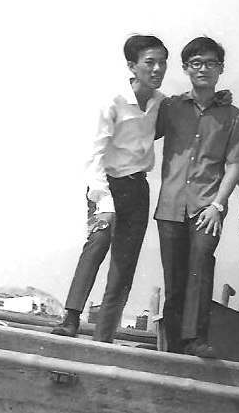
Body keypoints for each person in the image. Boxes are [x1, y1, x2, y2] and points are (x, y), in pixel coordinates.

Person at [52, 35, 168, 341]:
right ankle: (70, 318)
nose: (157, 69)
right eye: (150, 62)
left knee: (124, 265)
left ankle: (103, 336)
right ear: (132, 65)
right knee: (98, 242)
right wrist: (104, 203)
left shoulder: (161, 103)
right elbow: (95, 155)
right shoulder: (113, 100)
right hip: (106, 185)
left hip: (137, 188)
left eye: (162, 62)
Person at [155, 36, 239, 358]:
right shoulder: (171, 107)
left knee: (201, 264)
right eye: (196, 63)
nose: (203, 69)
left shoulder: (234, 116)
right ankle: (173, 349)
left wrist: (218, 205)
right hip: (170, 205)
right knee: (174, 280)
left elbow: (235, 164)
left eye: (210, 63)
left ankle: (196, 339)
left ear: (220, 68)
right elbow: (144, 128)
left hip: (207, 206)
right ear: (185, 68)